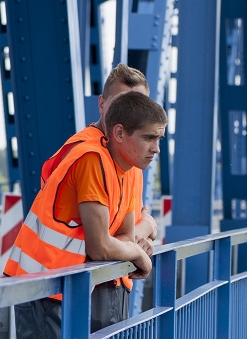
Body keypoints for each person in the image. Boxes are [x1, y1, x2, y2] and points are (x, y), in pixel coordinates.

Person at [5, 92, 168, 339]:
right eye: (148, 138)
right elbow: (102, 246)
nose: (156, 148)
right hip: (43, 287)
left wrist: (140, 232)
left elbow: (119, 236)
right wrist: (139, 253)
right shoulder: (93, 159)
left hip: (66, 288)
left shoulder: (124, 168)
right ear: (119, 133)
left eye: (159, 139)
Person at [41, 63, 159, 243]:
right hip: (68, 268)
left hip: (109, 270)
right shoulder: (89, 154)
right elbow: (101, 243)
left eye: (139, 107)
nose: (130, 115)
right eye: (120, 104)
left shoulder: (129, 154)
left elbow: (127, 233)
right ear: (102, 104)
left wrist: (145, 237)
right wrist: (148, 226)